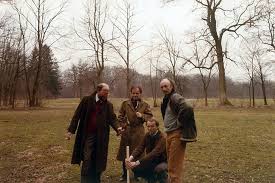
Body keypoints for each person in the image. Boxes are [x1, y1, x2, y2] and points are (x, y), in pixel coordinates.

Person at [66, 83, 123, 183]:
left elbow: (113, 118)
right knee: (87, 158)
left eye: (108, 91)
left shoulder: (108, 105)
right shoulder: (86, 101)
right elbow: (77, 115)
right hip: (88, 135)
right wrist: (71, 130)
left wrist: (118, 128)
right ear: (98, 90)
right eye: (105, 91)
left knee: (99, 159)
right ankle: (85, 180)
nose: (107, 93)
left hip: (101, 137)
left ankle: (96, 179)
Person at [160, 78, 197, 183]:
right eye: (162, 87)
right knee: (171, 165)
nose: (164, 88)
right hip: (169, 134)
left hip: (176, 134)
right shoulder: (166, 100)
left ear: (172, 86)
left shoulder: (175, 97)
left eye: (166, 86)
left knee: (174, 168)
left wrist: (179, 122)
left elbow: (188, 107)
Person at [116, 85, 153, 181]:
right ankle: (124, 174)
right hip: (127, 132)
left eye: (137, 93)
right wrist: (123, 124)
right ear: (130, 93)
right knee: (125, 154)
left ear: (140, 93)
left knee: (138, 153)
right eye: (133, 93)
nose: (135, 95)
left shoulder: (145, 105)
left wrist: (142, 116)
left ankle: (138, 174)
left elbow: (149, 117)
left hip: (139, 132)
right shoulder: (125, 104)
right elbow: (120, 116)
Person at [125, 118, 168, 183]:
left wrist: (136, 163)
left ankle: (163, 179)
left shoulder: (162, 138)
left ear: (157, 127)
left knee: (159, 169)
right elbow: (140, 147)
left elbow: (154, 153)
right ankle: (150, 179)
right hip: (151, 160)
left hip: (163, 161)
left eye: (152, 126)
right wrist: (130, 158)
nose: (150, 128)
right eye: (148, 126)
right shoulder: (147, 135)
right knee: (136, 168)